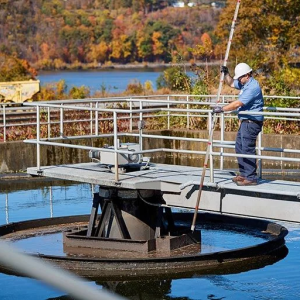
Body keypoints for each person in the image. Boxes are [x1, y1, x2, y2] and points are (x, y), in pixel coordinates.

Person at [212, 63, 264, 186]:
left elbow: (237, 104)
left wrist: (222, 109)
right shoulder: (244, 83)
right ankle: (244, 174)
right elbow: (231, 83)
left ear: (247, 75)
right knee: (239, 147)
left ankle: (250, 177)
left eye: (240, 77)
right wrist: (226, 74)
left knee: (247, 148)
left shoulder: (253, 87)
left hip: (252, 122)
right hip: (245, 121)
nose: (238, 79)